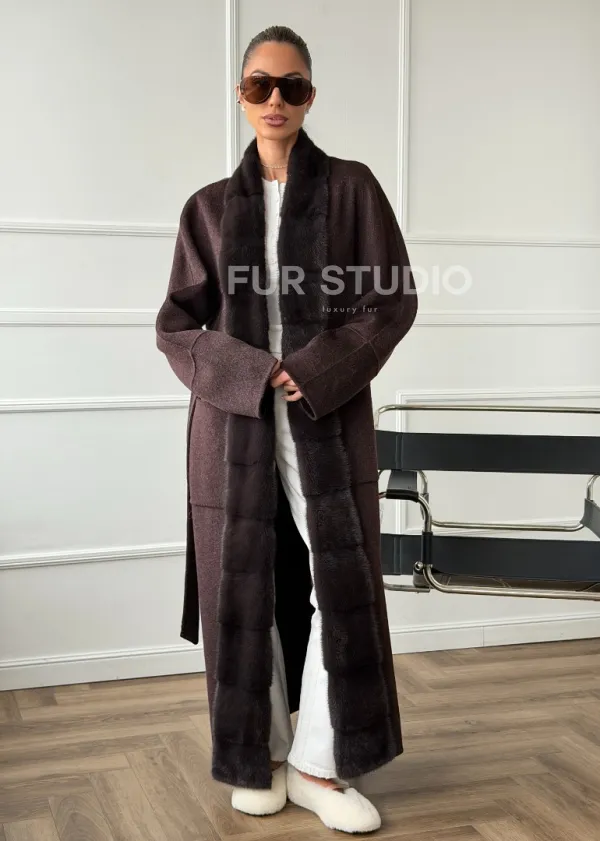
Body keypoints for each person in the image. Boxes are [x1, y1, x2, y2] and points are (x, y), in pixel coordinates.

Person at [155, 24, 418, 835]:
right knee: (242, 586)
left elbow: (392, 300)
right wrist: (247, 373)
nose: (275, 99)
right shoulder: (207, 208)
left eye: (291, 86)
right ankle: (259, 754)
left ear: (310, 96)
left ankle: (318, 762)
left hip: (324, 415)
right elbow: (176, 326)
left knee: (341, 582)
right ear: (241, 96)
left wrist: (318, 366)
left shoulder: (352, 189)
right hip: (232, 424)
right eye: (259, 85)